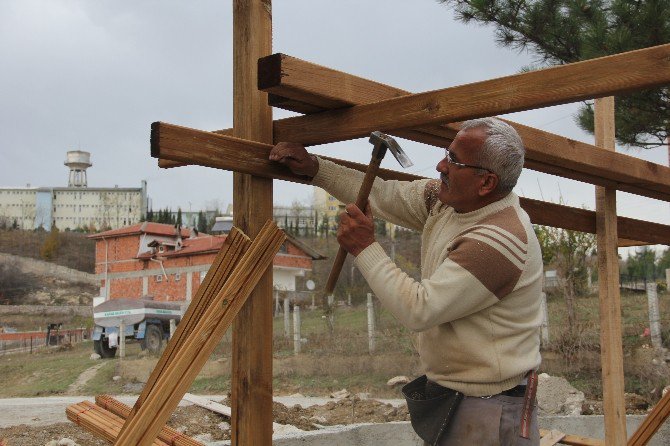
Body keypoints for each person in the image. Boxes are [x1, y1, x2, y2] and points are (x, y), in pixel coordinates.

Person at [270, 117, 543, 445]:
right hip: (461, 398)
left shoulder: (499, 238)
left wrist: (365, 248)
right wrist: (316, 168)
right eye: (447, 152)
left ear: (486, 183)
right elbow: (382, 194)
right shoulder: (446, 203)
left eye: (454, 160)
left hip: (489, 410)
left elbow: (420, 309)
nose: (441, 164)